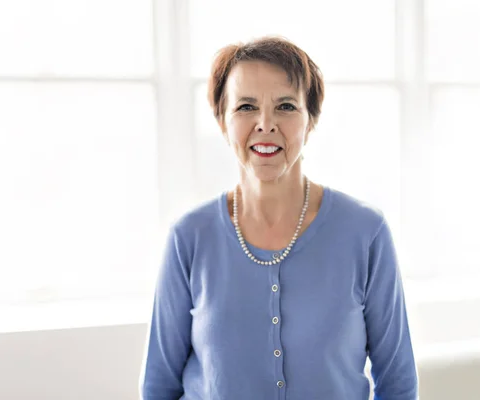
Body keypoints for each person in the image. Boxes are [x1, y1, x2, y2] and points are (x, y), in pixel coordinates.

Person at [140, 36, 418, 400]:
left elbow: (398, 385)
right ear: (222, 121)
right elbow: (158, 387)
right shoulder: (189, 238)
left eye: (286, 106)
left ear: (311, 119)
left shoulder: (365, 233)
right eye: (245, 107)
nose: (265, 124)